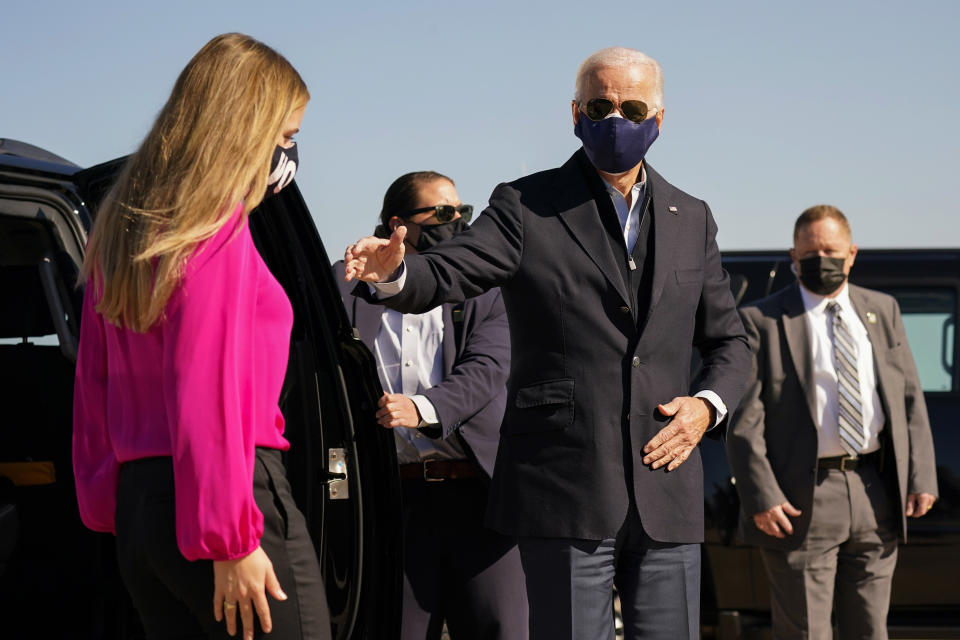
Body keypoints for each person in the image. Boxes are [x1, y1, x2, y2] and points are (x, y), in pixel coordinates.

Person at [343, 47, 751, 640]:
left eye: (632, 107)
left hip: (667, 490)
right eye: (600, 105)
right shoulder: (526, 205)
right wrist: (395, 274)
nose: (616, 119)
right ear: (575, 113)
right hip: (563, 490)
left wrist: (704, 406)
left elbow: (730, 343)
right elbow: (455, 270)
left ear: (659, 120)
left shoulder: (693, 216)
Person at [72, 33, 330, 640]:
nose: (287, 153)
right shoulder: (215, 227)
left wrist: (114, 502)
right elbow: (207, 390)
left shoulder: (120, 233)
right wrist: (231, 539)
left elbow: (93, 384)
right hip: (228, 504)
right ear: (246, 128)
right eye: (286, 136)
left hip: (143, 514)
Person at [726, 205, 939, 640]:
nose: (820, 258)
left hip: (874, 490)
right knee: (805, 632)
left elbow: (909, 399)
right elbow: (745, 421)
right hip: (802, 498)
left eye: (830, 250)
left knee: (869, 629)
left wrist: (922, 476)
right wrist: (761, 497)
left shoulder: (882, 310)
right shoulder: (760, 321)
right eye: (810, 251)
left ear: (852, 253)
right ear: (793, 255)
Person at [334, 171, 527, 640]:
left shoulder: (485, 287)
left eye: (461, 211)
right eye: (441, 214)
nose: (456, 221)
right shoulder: (346, 286)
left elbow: (488, 367)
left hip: (478, 498)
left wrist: (424, 408)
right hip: (391, 502)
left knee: (502, 629)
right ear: (398, 224)